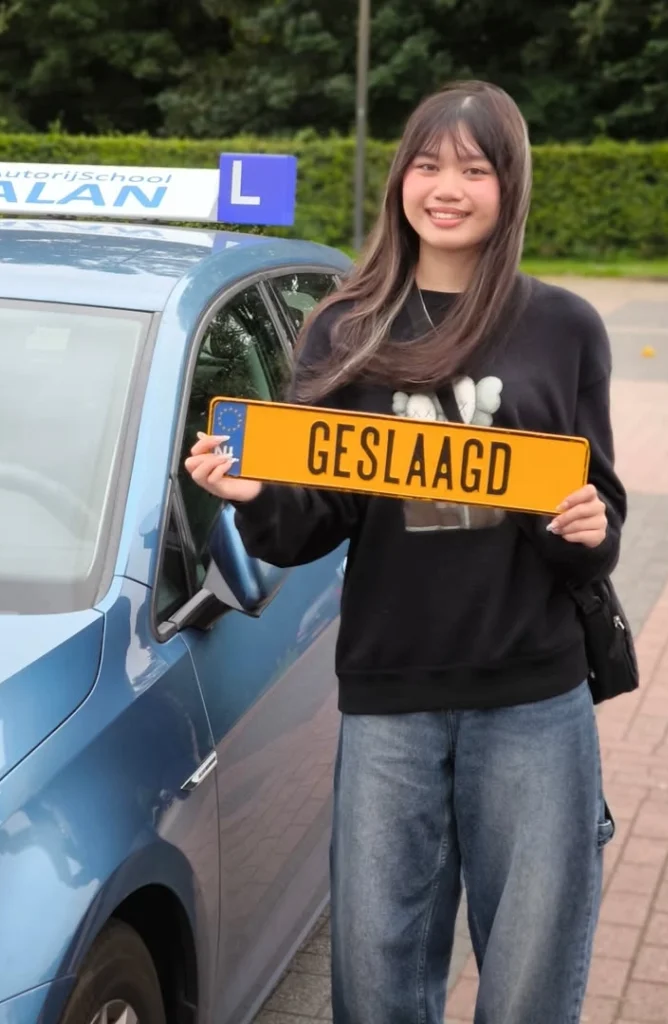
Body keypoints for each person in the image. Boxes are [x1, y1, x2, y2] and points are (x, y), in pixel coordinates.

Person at [185, 79, 626, 1024]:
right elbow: (315, 517)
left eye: (475, 169)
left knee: (531, 986)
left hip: (535, 701)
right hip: (391, 701)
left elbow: (598, 505)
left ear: (510, 186)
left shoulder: (565, 328)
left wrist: (593, 530)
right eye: (428, 166)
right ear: (400, 182)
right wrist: (254, 497)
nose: (447, 189)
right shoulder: (346, 327)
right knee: (378, 985)